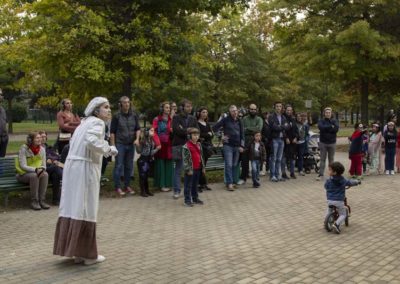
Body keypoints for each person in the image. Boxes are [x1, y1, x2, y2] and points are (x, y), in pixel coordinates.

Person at [53, 97, 118, 265]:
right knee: (87, 206)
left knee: (74, 206)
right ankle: (88, 255)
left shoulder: (84, 123)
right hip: (84, 169)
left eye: (109, 107)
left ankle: (78, 252)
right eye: (105, 107)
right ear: (96, 110)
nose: (109, 110)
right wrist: (108, 149)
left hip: (73, 168)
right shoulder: (97, 123)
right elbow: (91, 141)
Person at [110, 96, 141, 196]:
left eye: (128, 102)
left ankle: (127, 186)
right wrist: (113, 146)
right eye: (125, 102)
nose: (127, 104)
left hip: (131, 144)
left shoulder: (134, 115)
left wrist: (137, 139)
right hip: (120, 144)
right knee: (119, 165)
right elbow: (112, 132)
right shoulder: (116, 116)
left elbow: (138, 129)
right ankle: (117, 187)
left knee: (129, 166)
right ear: (121, 104)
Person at [212, 105, 244, 191]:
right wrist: (220, 136)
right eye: (233, 111)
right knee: (229, 165)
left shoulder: (239, 121)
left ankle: (233, 182)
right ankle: (229, 183)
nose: (235, 112)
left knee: (234, 165)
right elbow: (214, 128)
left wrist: (242, 145)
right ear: (229, 111)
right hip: (228, 146)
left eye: (236, 110)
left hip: (237, 146)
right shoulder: (225, 120)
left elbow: (242, 134)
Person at [171, 99, 198, 199]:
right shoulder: (176, 118)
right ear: (182, 107)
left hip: (190, 146)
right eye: (187, 106)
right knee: (178, 169)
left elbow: (196, 130)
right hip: (178, 145)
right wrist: (188, 130)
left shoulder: (193, 118)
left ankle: (189, 190)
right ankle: (177, 190)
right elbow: (177, 130)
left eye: (190, 106)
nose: (189, 108)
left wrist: (185, 129)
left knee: (189, 168)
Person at [16, 132, 50, 210]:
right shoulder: (24, 148)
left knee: (45, 174)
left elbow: (44, 165)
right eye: (37, 138)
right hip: (23, 174)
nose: (40, 139)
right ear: (31, 140)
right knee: (34, 176)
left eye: (40, 138)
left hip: (37, 172)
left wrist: (41, 170)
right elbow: (23, 166)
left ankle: (42, 201)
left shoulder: (42, 149)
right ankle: (34, 201)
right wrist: (35, 170)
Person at [324, 161, 360, 234]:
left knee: (329, 209)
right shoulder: (341, 179)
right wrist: (357, 182)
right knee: (343, 214)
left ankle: (326, 220)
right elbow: (349, 182)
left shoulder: (329, 180)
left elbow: (325, 186)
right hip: (339, 200)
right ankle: (336, 224)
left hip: (329, 200)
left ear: (335, 172)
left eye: (330, 169)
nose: (329, 171)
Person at [238, 104, 263, 185]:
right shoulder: (244, 119)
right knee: (244, 161)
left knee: (256, 161)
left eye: (254, 109)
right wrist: (253, 129)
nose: (252, 110)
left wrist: (248, 128)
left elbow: (258, 129)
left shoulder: (259, 119)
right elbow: (242, 130)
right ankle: (243, 178)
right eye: (251, 109)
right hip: (246, 142)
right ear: (248, 109)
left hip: (256, 143)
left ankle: (256, 178)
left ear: (256, 110)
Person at [152, 102, 173, 192]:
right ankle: (161, 184)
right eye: (166, 107)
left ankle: (168, 183)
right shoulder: (157, 119)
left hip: (169, 144)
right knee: (160, 164)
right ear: (162, 109)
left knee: (168, 164)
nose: (168, 109)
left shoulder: (171, 119)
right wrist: (157, 143)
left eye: (169, 108)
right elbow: (154, 132)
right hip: (160, 144)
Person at [39, 130, 63, 205]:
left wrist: (53, 160)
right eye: (41, 137)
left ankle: (55, 200)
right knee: (56, 168)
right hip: (43, 170)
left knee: (55, 176)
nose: (43, 138)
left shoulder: (49, 148)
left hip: (51, 170)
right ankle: (64, 176)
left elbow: (58, 157)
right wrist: (48, 160)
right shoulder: (37, 148)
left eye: (45, 137)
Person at [182, 127, 204, 206]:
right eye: (194, 135)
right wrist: (188, 169)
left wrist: (203, 167)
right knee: (188, 185)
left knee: (195, 184)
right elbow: (185, 159)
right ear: (189, 136)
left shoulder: (199, 144)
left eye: (197, 135)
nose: (196, 137)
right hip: (190, 169)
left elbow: (201, 156)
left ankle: (195, 198)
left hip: (197, 168)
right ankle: (187, 200)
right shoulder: (186, 146)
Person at [136, 127, 160, 197]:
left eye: (153, 131)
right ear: (147, 132)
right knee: (142, 176)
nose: (153, 132)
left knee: (146, 175)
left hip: (148, 160)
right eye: (151, 130)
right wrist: (137, 145)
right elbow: (139, 151)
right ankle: (142, 191)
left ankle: (147, 190)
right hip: (142, 161)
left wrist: (157, 149)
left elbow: (151, 152)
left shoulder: (151, 141)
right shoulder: (143, 141)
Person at [317, 107, 339, 181]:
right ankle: (321, 174)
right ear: (324, 113)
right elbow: (321, 127)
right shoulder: (321, 121)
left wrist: (326, 129)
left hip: (332, 143)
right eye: (326, 112)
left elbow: (336, 129)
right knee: (322, 159)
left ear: (331, 113)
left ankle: (331, 175)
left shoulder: (335, 121)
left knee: (331, 160)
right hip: (323, 142)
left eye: (329, 112)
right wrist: (330, 127)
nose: (328, 114)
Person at [268, 102, 288, 182]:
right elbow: (274, 127)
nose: (278, 108)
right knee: (274, 158)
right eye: (277, 106)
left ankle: (278, 175)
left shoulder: (283, 117)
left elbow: (287, 127)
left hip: (281, 139)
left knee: (279, 158)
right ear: (274, 107)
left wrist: (281, 127)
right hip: (275, 139)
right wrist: (282, 127)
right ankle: (272, 175)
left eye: (280, 106)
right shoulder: (271, 117)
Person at [197, 107, 214, 191]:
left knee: (204, 165)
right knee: (200, 165)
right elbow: (199, 135)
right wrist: (208, 134)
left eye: (206, 112)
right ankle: (199, 184)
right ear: (199, 113)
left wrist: (208, 134)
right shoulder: (197, 123)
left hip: (207, 147)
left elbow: (212, 134)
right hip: (200, 147)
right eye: (203, 112)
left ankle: (203, 183)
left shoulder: (207, 124)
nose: (205, 114)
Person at [282, 105, 299, 179]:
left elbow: (296, 130)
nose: (289, 111)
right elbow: (282, 130)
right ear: (285, 110)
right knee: (284, 158)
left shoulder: (293, 119)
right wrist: (286, 138)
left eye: (290, 110)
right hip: (286, 142)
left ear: (292, 111)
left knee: (292, 158)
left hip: (293, 142)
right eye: (287, 110)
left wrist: (296, 137)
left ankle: (292, 173)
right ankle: (283, 173)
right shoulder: (283, 118)